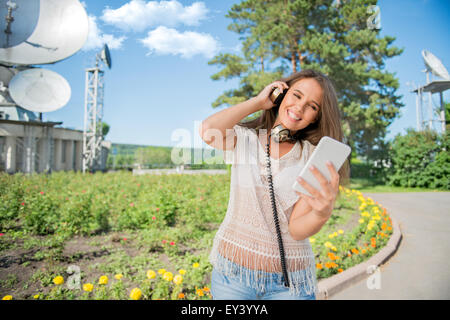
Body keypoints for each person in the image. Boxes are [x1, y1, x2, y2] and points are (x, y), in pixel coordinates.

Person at [199, 69, 350, 300]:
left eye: (312, 106)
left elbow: (297, 229)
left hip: (289, 285)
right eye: (296, 95)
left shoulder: (312, 158)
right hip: (233, 278)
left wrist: (321, 213)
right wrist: (258, 102)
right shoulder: (245, 140)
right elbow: (208, 132)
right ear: (281, 95)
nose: (300, 108)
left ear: (316, 118)